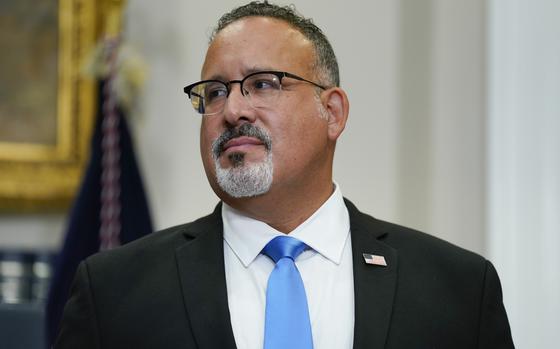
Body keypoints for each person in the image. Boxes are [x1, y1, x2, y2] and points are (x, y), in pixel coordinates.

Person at [55, 2, 514, 348]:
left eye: (262, 84)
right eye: (214, 92)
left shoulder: (458, 289)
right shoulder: (114, 291)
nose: (233, 109)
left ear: (332, 112)